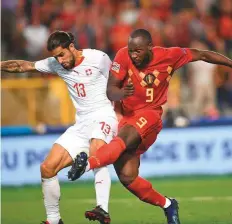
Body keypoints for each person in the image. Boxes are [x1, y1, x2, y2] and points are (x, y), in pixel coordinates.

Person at [68, 29, 232, 224]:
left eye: (138, 51)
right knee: (128, 177)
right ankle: (168, 205)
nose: (133, 55)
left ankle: (86, 165)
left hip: (151, 115)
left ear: (150, 48)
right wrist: (121, 93)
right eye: (131, 51)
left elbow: (202, 54)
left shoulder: (170, 56)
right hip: (127, 117)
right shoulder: (123, 55)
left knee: (123, 140)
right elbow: (110, 90)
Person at [0, 31, 118, 224]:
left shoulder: (98, 58)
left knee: (97, 151)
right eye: (56, 57)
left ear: (72, 46)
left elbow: (118, 82)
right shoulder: (55, 64)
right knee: (47, 168)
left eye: (62, 54)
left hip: (104, 116)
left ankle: (102, 209)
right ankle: (54, 220)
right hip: (81, 124)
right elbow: (23, 65)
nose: (60, 61)